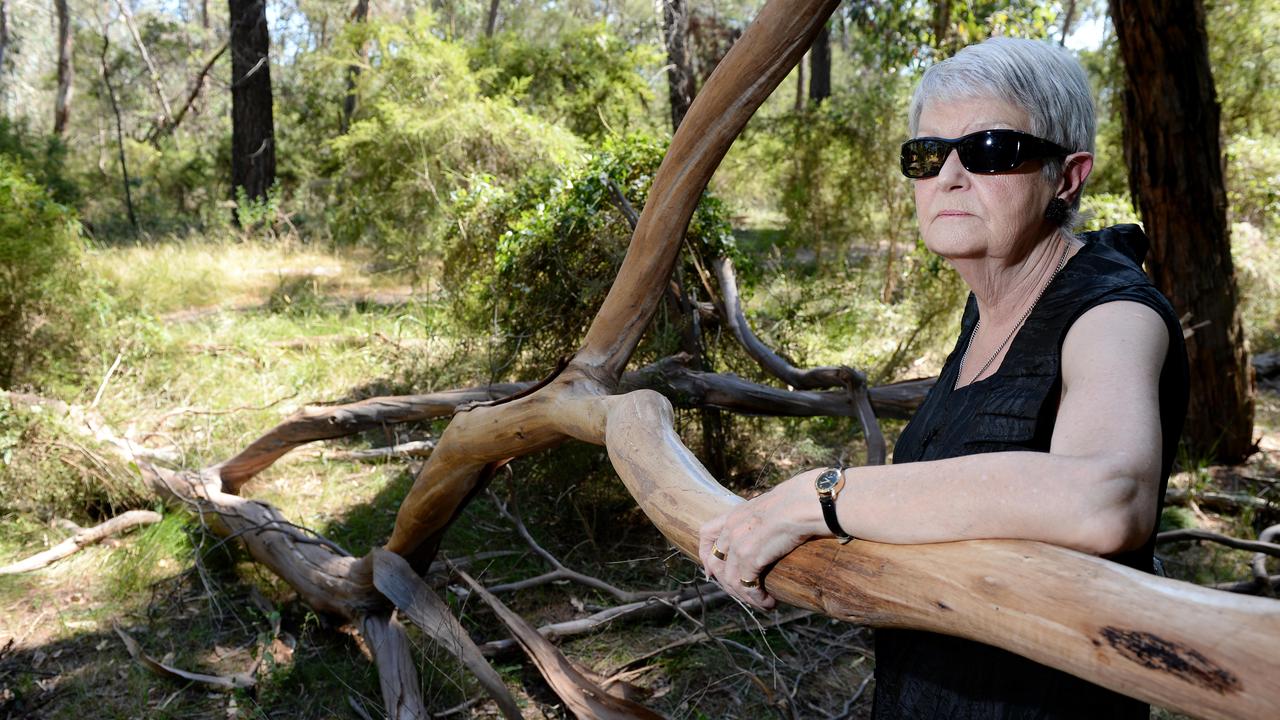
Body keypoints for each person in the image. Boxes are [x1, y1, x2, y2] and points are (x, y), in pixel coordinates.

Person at [697, 36, 1190, 718]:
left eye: (990, 150)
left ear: (1068, 176)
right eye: (928, 156)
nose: (949, 177)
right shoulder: (990, 304)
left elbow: (1106, 495)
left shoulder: (1112, 314)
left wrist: (821, 496)